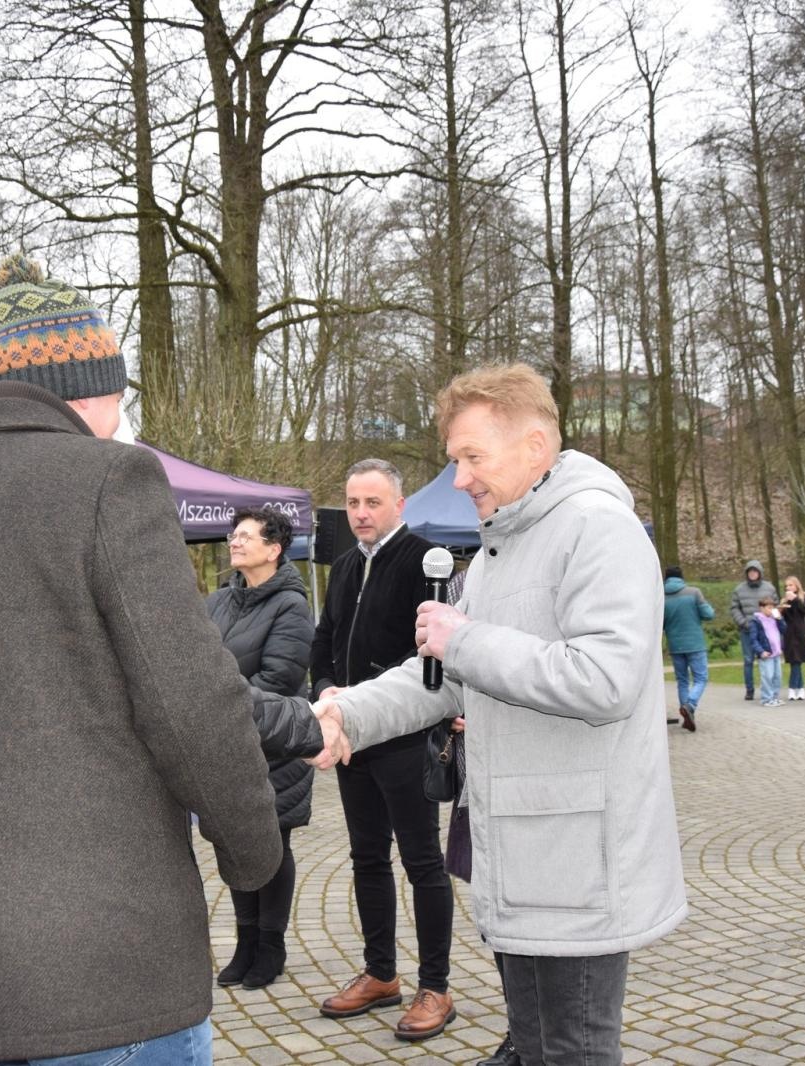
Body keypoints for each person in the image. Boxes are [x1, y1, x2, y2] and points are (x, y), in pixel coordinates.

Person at [0, 255, 286, 1066]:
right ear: (85, 386)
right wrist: (252, 850)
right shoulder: (110, 479)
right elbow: (190, 701)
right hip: (99, 959)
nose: (121, 414)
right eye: (119, 391)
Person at [314, 363, 687, 1066]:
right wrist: (346, 714)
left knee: (570, 1054)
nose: (458, 479)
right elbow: (446, 681)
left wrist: (469, 639)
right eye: (455, 459)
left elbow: (607, 679)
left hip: (580, 866)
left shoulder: (599, 531)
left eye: (471, 458)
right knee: (532, 1049)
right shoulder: (495, 551)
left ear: (535, 450)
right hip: (515, 861)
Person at [310, 458, 456, 1041]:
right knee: (367, 858)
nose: (361, 513)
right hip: (352, 742)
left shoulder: (426, 560)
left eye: (372, 502)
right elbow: (322, 644)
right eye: (352, 503)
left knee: (423, 863)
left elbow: (431, 657)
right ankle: (380, 973)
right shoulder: (344, 565)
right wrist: (327, 694)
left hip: (405, 739)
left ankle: (436, 986)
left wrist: (369, 699)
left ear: (400, 504)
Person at [206, 506, 315, 991]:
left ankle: (271, 945)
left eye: (247, 535)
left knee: (273, 843)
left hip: (273, 745)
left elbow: (280, 679)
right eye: (234, 534)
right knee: (234, 844)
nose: (235, 541)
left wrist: (217, 700)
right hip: (224, 746)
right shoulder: (216, 603)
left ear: (273, 549)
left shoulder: (292, 605)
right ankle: (245, 943)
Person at [661, 565, 714, 732]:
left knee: (682, 680)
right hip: (695, 643)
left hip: (675, 645)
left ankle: (688, 716)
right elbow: (708, 614)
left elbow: (660, 623)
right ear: (681, 577)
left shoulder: (661, 597)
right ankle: (690, 705)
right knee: (701, 678)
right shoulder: (693, 592)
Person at [728, 560, 772, 701]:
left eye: (755, 571)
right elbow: (735, 608)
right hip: (747, 630)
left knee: (765, 659)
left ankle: (767, 688)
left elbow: (774, 606)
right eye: (750, 571)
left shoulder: (769, 588)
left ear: (759, 573)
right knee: (748, 660)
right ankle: (749, 690)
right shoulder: (739, 589)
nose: (752, 574)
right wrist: (743, 622)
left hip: (764, 630)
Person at [779, 576, 805, 700]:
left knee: (797, 662)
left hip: (801, 634)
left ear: (797, 586)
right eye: (786, 586)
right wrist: (781, 609)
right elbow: (782, 617)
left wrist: (796, 600)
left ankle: (793, 689)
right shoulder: (784, 600)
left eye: (790, 585)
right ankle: (800, 689)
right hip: (789, 634)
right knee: (795, 662)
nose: (788, 588)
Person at [749, 595, 784, 707]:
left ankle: (774, 697)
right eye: (768, 608)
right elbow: (753, 639)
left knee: (777, 676)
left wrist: (780, 619)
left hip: (776, 652)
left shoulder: (775, 619)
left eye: (772, 607)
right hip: (766, 653)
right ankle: (766, 698)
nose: (771, 610)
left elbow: (784, 630)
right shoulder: (756, 621)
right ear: (761, 608)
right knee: (767, 676)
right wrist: (760, 651)